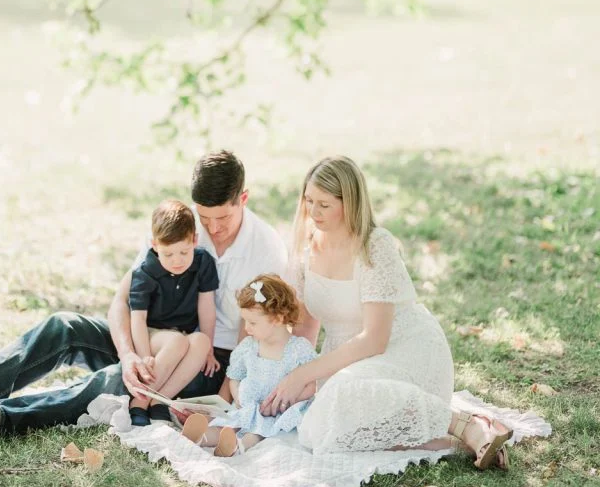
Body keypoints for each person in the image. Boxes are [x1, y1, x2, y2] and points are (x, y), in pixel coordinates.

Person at [0, 150, 288, 443]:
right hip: (149, 337)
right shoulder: (178, 231)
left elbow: (270, 334)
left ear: (244, 199)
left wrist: (226, 396)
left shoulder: (265, 249)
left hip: (205, 362)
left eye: (224, 218)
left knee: (117, 382)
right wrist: (128, 354)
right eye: (205, 217)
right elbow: (121, 301)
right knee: (65, 325)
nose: (213, 229)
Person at [258, 156, 513, 470]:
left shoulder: (374, 246)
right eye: (309, 201)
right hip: (345, 359)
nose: (313, 212)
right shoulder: (305, 250)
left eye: (324, 204)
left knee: (343, 395)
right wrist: (287, 377)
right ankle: (459, 443)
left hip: (403, 347)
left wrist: (305, 375)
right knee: (317, 429)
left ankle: (466, 425)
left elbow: (375, 340)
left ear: (349, 203)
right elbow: (306, 328)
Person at [182, 273, 317, 457]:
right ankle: (202, 436)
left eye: (253, 322)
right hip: (248, 407)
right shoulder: (248, 347)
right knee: (230, 423)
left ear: (278, 318)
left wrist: (287, 401)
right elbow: (235, 376)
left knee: (257, 431)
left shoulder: (298, 349)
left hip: (276, 412)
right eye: (245, 321)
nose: (247, 328)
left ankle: (237, 446)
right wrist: (238, 396)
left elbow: (311, 385)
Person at [126, 199, 219, 426]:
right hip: (152, 332)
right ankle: (139, 401)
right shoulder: (145, 272)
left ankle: (161, 401)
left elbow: (206, 306)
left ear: (195, 241)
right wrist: (145, 354)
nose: (177, 261)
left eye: (183, 252)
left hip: (182, 334)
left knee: (201, 341)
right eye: (168, 254)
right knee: (177, 341)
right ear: (155, 245)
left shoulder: (203, 262)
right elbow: (138, 318)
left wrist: (209, 351)